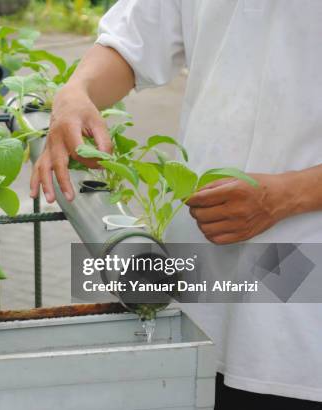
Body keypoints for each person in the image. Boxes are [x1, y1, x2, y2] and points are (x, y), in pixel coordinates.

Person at [29, 1, 322, 409]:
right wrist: (77, 92)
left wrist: (287, 195)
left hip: (302, 311)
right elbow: (129, 45)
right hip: (198, 286)